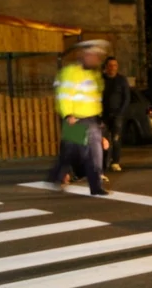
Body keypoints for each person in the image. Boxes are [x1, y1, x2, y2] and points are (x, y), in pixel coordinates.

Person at [47, 40, 110, 196]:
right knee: (70, 153)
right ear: (84, 55)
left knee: (95, 154)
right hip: (75, 120)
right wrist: (68, 114)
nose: (96, 59)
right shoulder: (71, 72)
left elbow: (95, 98)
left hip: (92, 120)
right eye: (93, 55)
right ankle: (57, 176)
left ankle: (96, 187)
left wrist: (99, 119)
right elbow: (63, 95)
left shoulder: (94, 74)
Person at [101, 56, 130, 172]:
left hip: (117, 115)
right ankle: (103, 164)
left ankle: (115, 162)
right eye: (110, 65)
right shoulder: (101, 80)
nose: (112, 68)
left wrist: (120, 112)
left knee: (116, 139)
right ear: (106, 67)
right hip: (103, 115)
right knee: (103, 140)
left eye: (115, 66)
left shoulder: (122, 80)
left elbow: (126, 98)